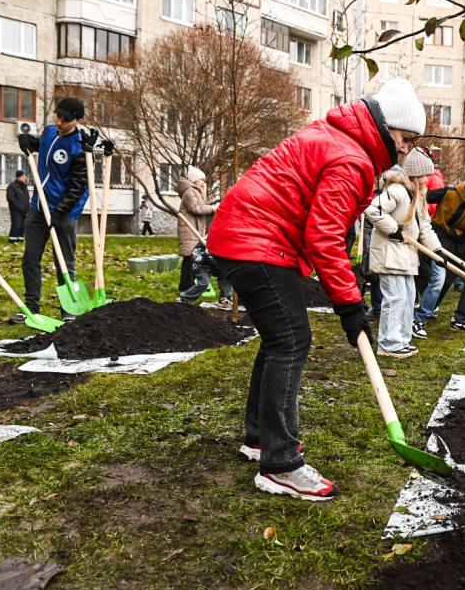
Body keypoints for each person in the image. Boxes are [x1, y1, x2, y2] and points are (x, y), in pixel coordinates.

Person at [206, 76, 426, 502]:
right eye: (405, 138)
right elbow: (323, 238)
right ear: (385, 127)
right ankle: (281, 463)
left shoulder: (340, 140)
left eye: (413, 142)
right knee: (290, 340)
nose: (406, 149)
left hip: (246, 236)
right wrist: (349, 305)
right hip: (257, 241)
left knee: (278, 341)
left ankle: (260, 438)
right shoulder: (350, 157)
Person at [15, 97, 101, 323]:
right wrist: (28, 142)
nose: (60, 122)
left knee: (64, 263)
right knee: (30, 259)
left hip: (63, 213)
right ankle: (31, 307)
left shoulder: (80, 148)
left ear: (78, 120)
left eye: (66, 119)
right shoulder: (50, 131)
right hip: (37, 208)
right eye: (58, 116)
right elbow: (44, 149)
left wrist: (58, 213)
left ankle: (68, 311)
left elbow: (77, 187)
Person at [364, 150, 442, 357]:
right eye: (425, 175)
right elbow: (373, 210)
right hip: (390, 254)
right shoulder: (398, 191)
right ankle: (388, 344)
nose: (428, 179)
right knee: (395, 298)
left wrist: (437, 251)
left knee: (407, 297)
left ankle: (401, 339)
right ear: (415, 174)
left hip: (407, 255)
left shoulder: (419, 195)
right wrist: (393, 229)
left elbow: (425, 226)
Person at [422, 168, 465, 331]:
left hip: (461, 245)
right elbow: (424, 197)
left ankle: (460, 319)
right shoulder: (449, 193)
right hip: (439, 238)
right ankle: (426, 312)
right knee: (442, 281)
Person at [176, 167, 218, 297]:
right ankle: (185, 287)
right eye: (201, 180)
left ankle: (188, 286)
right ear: (194, 179)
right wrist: (213, 209)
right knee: (190, 258)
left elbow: (200, 205)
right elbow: (196, 208)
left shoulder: (194, 191)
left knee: (191, 258)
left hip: (193, 229)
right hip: (190, 230)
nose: (203, 182)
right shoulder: (190, 191)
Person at [6, 170, 29, 243]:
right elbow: (10, 198)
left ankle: (20, 239)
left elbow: (27, 198)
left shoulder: (24, 186)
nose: (25, 178)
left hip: (24, 210)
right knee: (16, 224)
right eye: (23, 176)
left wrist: (28, 207)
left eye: (25, 176)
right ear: (18, 177)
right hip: (16, 210)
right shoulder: (12, 186)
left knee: (22, 225)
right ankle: (12, 240)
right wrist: (19, 206)